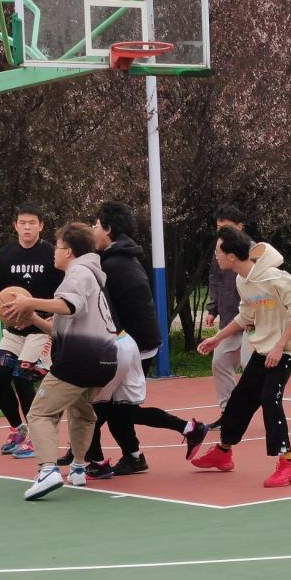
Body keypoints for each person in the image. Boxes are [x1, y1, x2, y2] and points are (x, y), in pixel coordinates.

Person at [59, 201, 208, 477]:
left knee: (99, 406)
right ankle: (141, 451)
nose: (92, 229)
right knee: (117, 410)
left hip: (130, 345)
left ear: (108, 229)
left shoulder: (113, 265)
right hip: (134, 343)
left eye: (96, 224)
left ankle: (92, 456)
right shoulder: (122, 257)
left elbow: (107, 311)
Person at [2, 222, 119, 501]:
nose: (54, 252)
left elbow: (69, 306)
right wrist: (33, 318)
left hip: (80, 359)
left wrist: (30, 303)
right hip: (105, 359)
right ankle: (78, 467)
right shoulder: (91, 274)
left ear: (69, 251)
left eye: (57, 246)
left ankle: (47, 470)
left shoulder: (78, 272)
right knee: (81, 410)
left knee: (39, 414)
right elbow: (60, 326)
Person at [195, 228, 291, 488]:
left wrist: (280, 346)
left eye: (218, 252)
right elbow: (245, 316)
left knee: (270, 397)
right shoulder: (242, 281)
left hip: (285, 349)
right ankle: (223, 452)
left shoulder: (276, 278)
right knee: (240, 398)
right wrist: (217, 338)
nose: (216, 257)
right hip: (264, 349)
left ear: (232, 256)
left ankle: (289, 463)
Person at [0, 203, 62, 459]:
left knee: (22, 378)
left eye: (32, 223)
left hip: (40, 329)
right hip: (13, 331)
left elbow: (62, 291)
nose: (27, 227)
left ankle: (36, 437)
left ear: (41, 226)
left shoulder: (50, 254)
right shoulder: (7, 254)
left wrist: (45, 315)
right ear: (15, 226)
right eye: (23, 223)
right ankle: (18, 429)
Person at [203, 204, 253, 431]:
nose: (221, 233)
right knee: (220, 361)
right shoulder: (220, 251)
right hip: (230, 319)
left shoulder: (255, 251)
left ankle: (267, 408)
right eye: (218, 228)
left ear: (240, 227)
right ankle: (229, 413)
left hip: (253, 321)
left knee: (253, 368)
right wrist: (213, 308)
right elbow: (216, 280)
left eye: (227, 228)